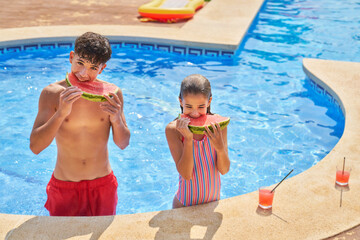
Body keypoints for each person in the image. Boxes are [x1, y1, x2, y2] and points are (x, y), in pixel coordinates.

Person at [30, 32, 130, 216]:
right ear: (71, 57)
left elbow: (123, 144)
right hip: (64, 186)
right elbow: (35, 147)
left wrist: (116, 120)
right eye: (80, 63)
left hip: (103, 185)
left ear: (102, 68)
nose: (84, 74)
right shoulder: (51, 93)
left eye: (93, 67)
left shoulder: (112, 95)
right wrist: (61, 113)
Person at [165, 74, 230, 208]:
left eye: (201, 107)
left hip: (212, 205)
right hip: (184, 206)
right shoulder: (173, 130)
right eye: (188, 107)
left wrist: (219, 148)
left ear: (209, 101)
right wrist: (188, 139)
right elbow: (186, 174)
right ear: (180, 101)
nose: (194, 113)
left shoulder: (218, 126)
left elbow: (224, 170)